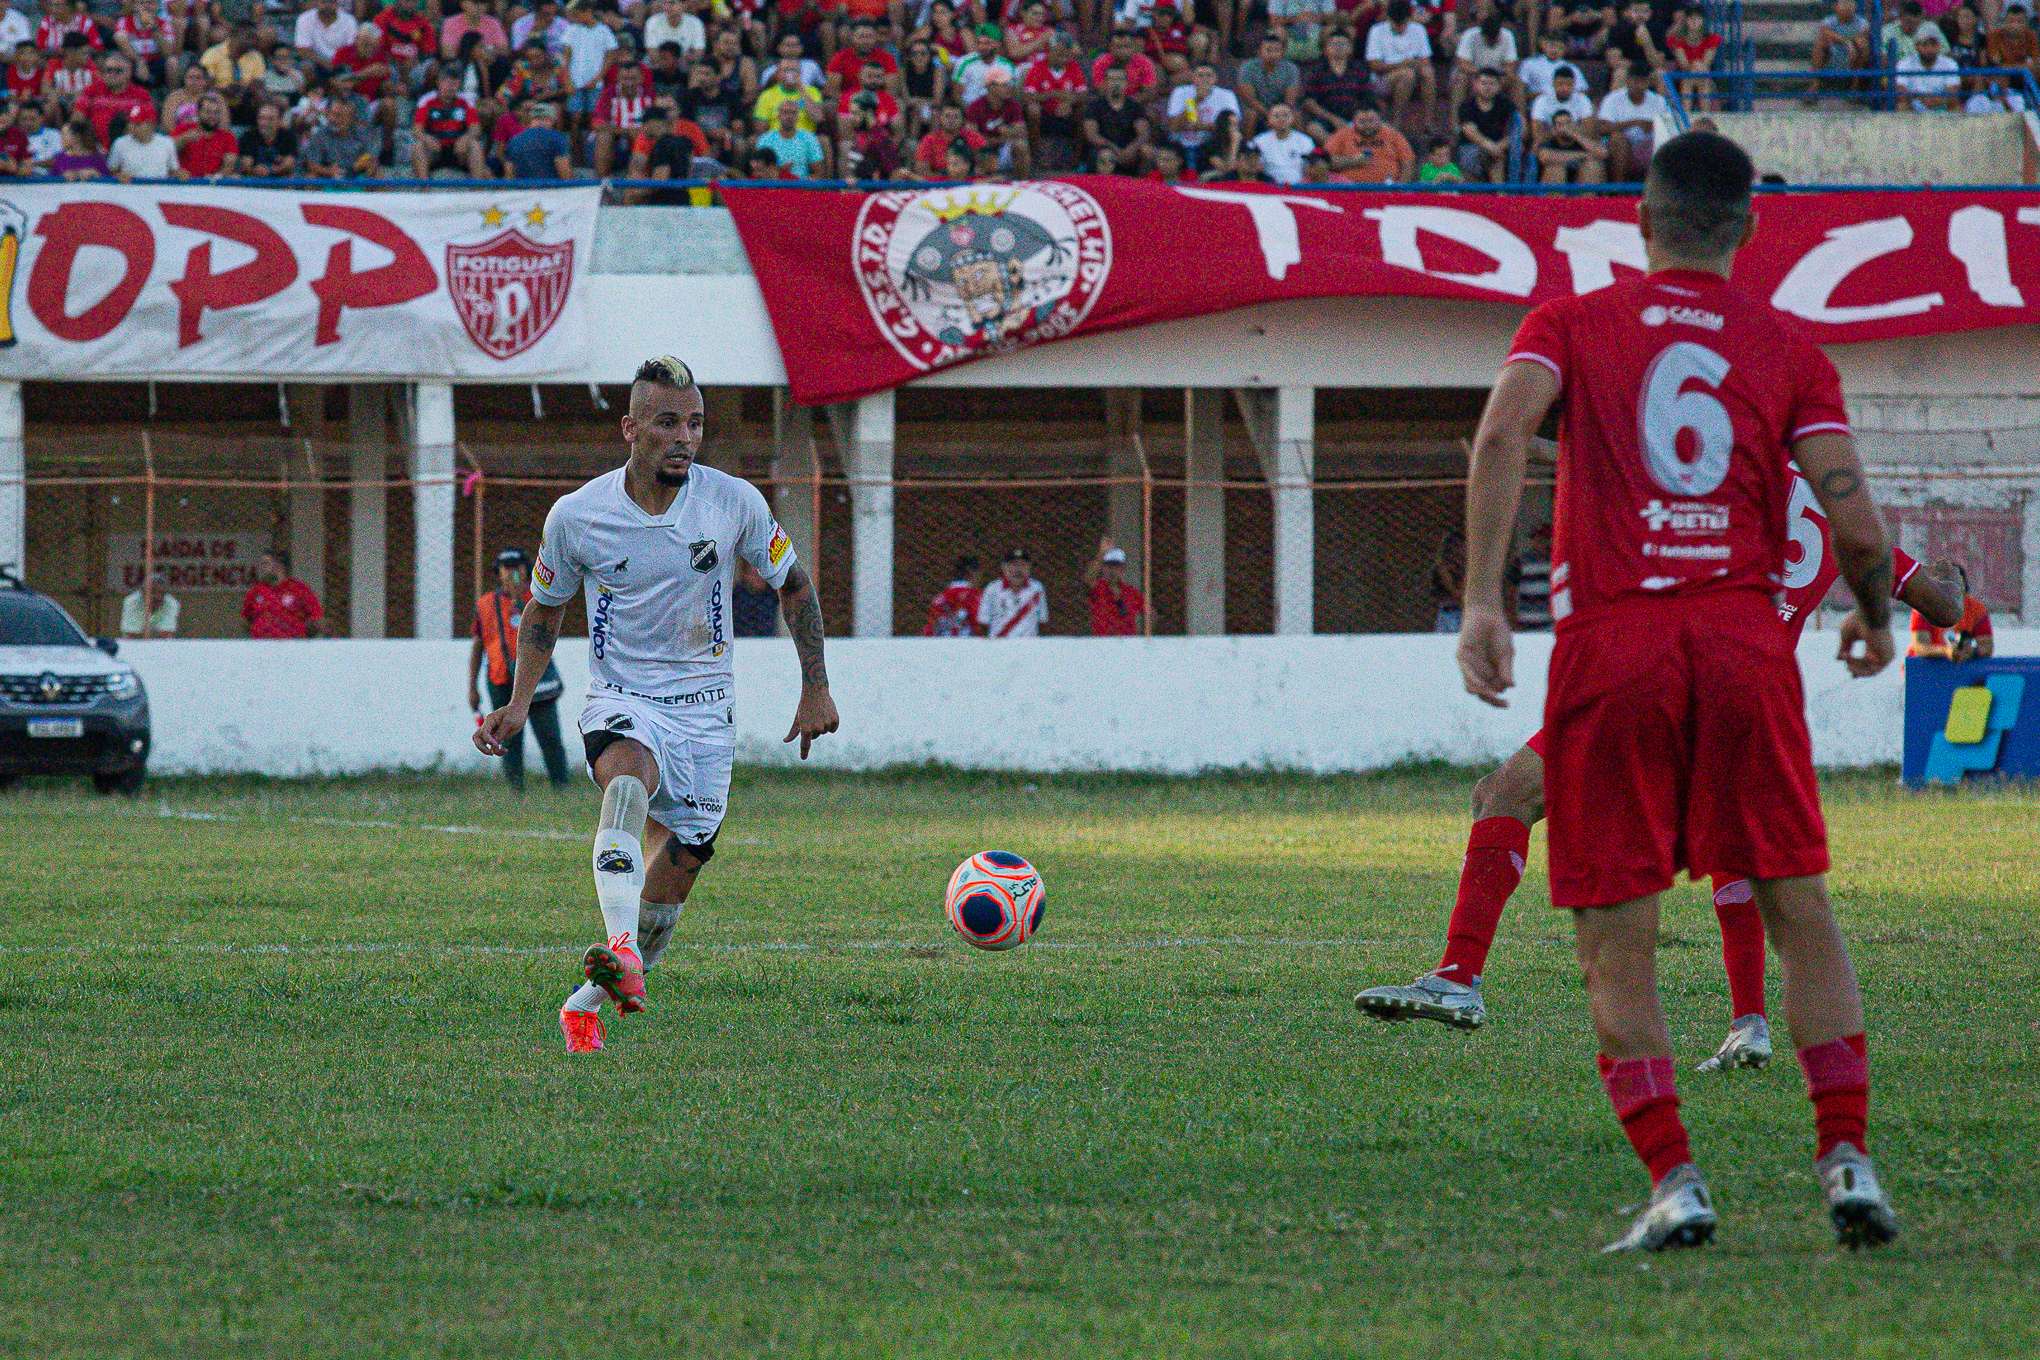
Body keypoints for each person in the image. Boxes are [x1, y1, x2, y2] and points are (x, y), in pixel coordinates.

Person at [1447, 130, 1912, 1253]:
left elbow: (1502, 431)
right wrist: (1875, 611)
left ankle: (1676, 1180)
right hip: (1743, 645)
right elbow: (1854, 518)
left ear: (1640, 221)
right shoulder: (1790, 349)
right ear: (1748, 227)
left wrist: (1482, 600)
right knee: (1800, 905)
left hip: (1616, 645)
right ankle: (1846, 1157)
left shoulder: (1569, 323)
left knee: (1617, 934)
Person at [475, 356, 838, 1055]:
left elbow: (794, 584)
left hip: (705, 710)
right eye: (668, 423)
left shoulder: (733, 502)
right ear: (630, 428)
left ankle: (584, 1004)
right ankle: (618, 944)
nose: (684, 438)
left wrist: (815, 685)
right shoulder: (578, 516)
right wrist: (518, 703)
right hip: (623, 696)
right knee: (627, 780)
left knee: (675, 880)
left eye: (694, 424)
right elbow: (545, 610)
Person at [468, 549, 569, 791]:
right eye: (507, 567)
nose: (512, 572)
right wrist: (472, 687)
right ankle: (516, 788)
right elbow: (478, 646)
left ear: (527, 570)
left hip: (535, 679)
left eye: (518, 566)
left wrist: (522, 603)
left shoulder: (537, 598)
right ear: (498, 572)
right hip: (500, 678)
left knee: (549, 734)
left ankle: (561, 785)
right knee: (508, 737)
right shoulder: (485, 604)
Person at [1595, 63, 1667, 181]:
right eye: (1635, 81)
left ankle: (1652, 189)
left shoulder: (1659, 101)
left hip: (1647, 147)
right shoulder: (1612, 99)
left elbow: (1667, 129)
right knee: (1617, 139)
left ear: (1649, 82)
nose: (1639, 85)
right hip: (1619, 149)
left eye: (1643, 82)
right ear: (1628, 80)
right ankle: (1619, 189)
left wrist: (1653, 126)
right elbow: (1602, 129)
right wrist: (1634, 123)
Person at [1909, 562, 1993, 658]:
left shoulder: (1976, 609)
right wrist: (1945, 651)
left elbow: (1987, 646)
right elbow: (1920, 647)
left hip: (1962, 663)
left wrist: (1971, 651)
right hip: (1924, 664)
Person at [242, 550, 323, 638]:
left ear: (280, 566)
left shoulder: (299, 589)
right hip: (261, 644)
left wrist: (303, 638)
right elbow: (245, 619)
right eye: (261, 565)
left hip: (292, 643)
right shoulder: (256, 590)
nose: (262, 568)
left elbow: (317, 618)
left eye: (266, 564)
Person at [976, 547, 1047, 638]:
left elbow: (1042, 621)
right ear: (1004, 568)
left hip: (1028, 644)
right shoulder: (993, 588)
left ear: (1029, 568)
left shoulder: (1037, 589)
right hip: (1000, 643)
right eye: (1013, 565)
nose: (1018, 570)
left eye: (1023, 565)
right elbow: (983, 622)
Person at [1084, 539, 1148, 636]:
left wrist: (1141, 636)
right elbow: (1088, 578)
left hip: (1127, 641)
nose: (1112, 570)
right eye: (1108, 566)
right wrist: (1101, 554)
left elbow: (1149, 613)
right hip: (1103, 641)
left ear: (1122, 569)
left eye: (1116, 566)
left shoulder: (1131, 592)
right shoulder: (1098, 588)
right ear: (1103, 568)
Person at [1249, 102, 1316, 184]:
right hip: (1269, 186)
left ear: (1292, 118)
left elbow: (1310, 169)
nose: (1281, 119)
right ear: (1269, 120)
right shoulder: (1258, 141)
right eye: (1276, 116)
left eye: (1285, 115)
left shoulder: (1305, 140)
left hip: (1298, 187)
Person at [922, 556, 982, 636]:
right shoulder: (974, 596)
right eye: (979, 574)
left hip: (941, 642)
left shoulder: (940, 598)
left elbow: (929, 629)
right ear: (972, 573)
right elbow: (979, 627)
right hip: (966, 642)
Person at [120, 564, 179, 638]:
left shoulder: (171, 603)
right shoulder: (131, 601)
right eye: (152, 592)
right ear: (142, 592)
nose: (157, 596)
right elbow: (131, 634)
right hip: (134, 643)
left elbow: (166, 634)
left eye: (160, 592)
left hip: (161, 643)